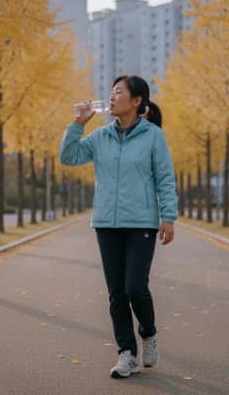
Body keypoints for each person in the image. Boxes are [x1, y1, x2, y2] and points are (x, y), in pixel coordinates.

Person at [59, 75, 178, 379]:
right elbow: (69, 157)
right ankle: (127, 353)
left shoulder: (153, 136)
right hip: (106, 224)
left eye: (118, 92)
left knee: (135, 287)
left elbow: (165, 178)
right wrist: (78, 124)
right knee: (116, 293)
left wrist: (168, 217)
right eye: (111, 92)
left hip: (141, 222)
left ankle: (148, 333)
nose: (111, 97)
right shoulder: (100, 137)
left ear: (137, 101)